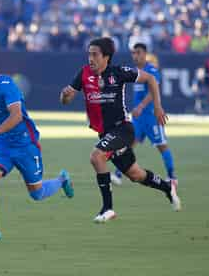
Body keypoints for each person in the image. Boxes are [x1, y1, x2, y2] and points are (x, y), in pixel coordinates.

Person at [60, 37, 181, 223]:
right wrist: (64, 96)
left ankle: (107, 208)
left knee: (96, 156)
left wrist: (157, 107)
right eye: (89, 54)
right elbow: (66, 99)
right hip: (106, 133)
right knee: (135, 174)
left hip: (122, 129)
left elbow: (151, 80)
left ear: (106, 57)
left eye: (95, 55)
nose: (90, 59)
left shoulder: (119, 73)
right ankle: (167, 187)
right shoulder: (83, 73)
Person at [0, 52, 74, 241]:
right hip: (3, 145)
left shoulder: (6, 85)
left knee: (37, 193)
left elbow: (16, 116)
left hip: (25, 143)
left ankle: (61, 180)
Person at [110, 43, 177, 186]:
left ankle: (172, 178)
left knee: (162, 145)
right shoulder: (135, 72)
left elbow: (153, 92)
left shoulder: (151, 70)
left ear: (145, 54)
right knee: (128, 145)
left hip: (151, 116)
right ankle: (118, 174)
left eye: (138, 52)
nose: (135, 55)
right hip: (138, 118)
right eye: (133, 53)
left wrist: (140, 106)